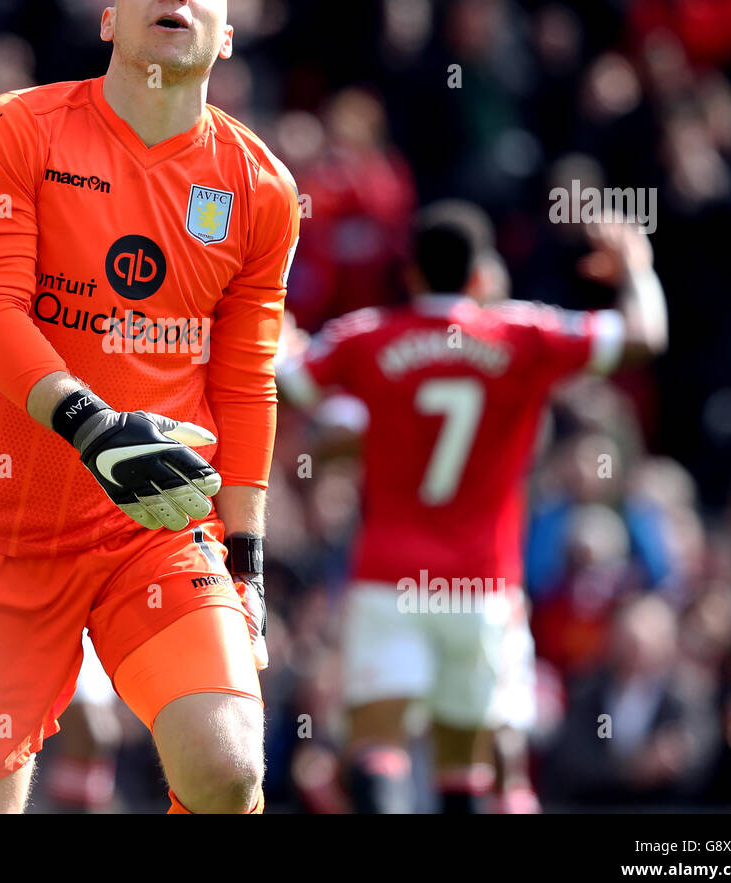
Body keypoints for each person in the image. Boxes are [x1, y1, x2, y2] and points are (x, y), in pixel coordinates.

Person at [0, 0, 301, 814]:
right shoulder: (17, 129)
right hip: (7, 524)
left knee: (228, 767)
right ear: (109, 19)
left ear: (226, 36)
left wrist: (245, 553)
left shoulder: (261, 190)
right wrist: (92, 424)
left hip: (155, 524)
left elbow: (245, 381)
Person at [276, 200, 667, 812]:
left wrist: (275, 335)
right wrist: (635, 269)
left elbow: (285, 384)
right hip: (482, 584)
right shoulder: (522, 335)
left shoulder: (366, 337)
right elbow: (644, 340)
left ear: (411, 275)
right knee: (469, 765)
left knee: (377, 746)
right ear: (481, 275)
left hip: (388, 575)